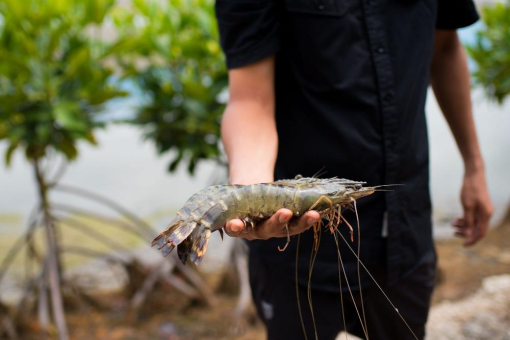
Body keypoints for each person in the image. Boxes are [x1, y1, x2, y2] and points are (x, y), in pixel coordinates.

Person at [215, 0, 493, 339]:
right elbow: (249, 99)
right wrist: (249, 188)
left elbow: (446, 47)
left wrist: (474, 167)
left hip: (405, 230)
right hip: (291, 253)